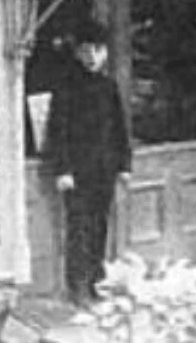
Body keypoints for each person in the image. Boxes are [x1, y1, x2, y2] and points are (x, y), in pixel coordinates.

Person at [45, 21, 132, 306]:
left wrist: (124, 165)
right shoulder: (66, 87)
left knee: (99, 226)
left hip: (104, 170)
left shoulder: (109, 86)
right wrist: (62, 169)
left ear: (106, 53)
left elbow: (120, 128)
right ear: (77, 53)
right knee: (79, 228)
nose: (92, 56)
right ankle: (78, 285)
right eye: (86, 50)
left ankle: (96, 280)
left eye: (98, 49)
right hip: (77, 172)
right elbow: (57, 130)